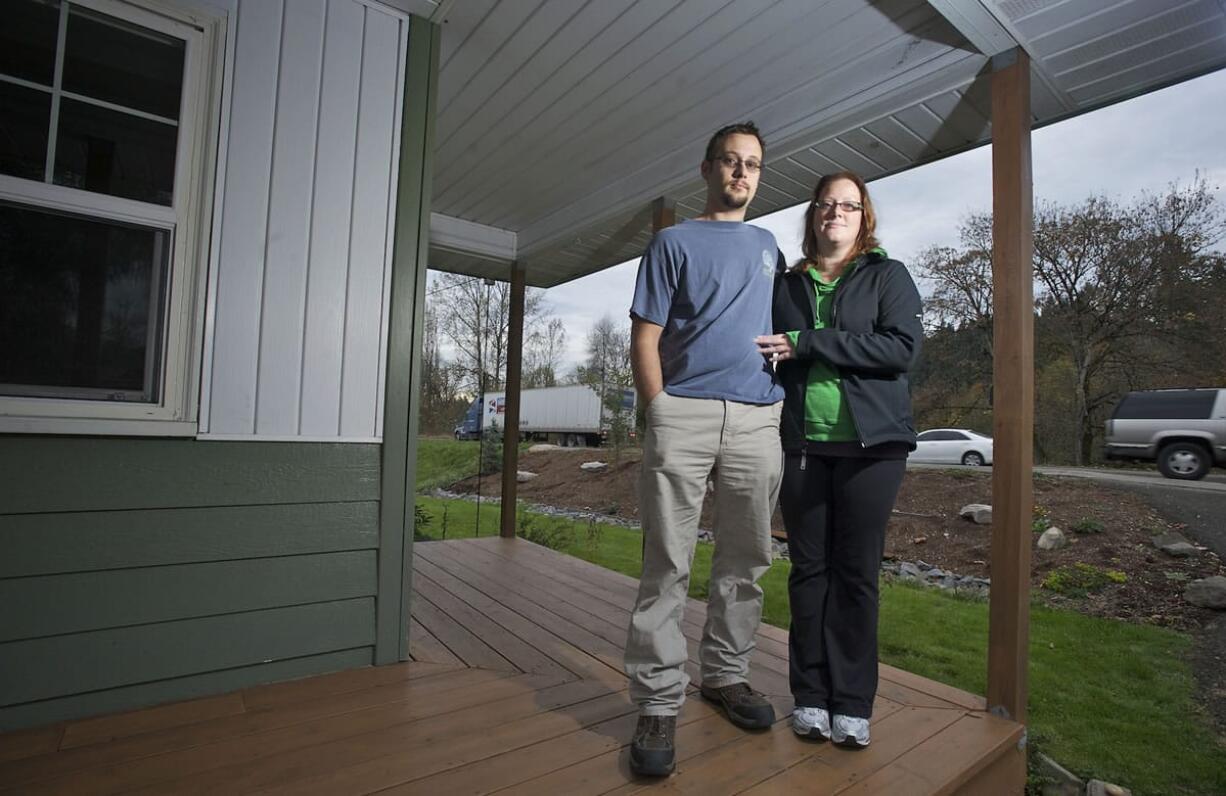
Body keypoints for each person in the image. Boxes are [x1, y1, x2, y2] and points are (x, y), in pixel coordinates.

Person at [625, 122, 785, 776]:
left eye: (751, 164)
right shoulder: (672, 242)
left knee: (747, 558)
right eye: (730, 161)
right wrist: (658, 407)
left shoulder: (769, 244)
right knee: (668, 560)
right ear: (708, 168)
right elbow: (645, 335)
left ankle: (723, 677)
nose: (740, 173)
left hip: (757, 419)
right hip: (682, 414)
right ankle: (659, 700)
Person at [754, 171, 922, 748]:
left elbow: (899, 350)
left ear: (863, 216)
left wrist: (807, 342)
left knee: (855, 575)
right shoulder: (788, 284)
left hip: (872, 449)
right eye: (826, 205)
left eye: (848, 205)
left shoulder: (886, 275)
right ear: (813, 217)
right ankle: (810, 698)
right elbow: (759, 344)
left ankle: (852, 704)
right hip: (803, 446)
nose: (836, 213)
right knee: (809, 573)